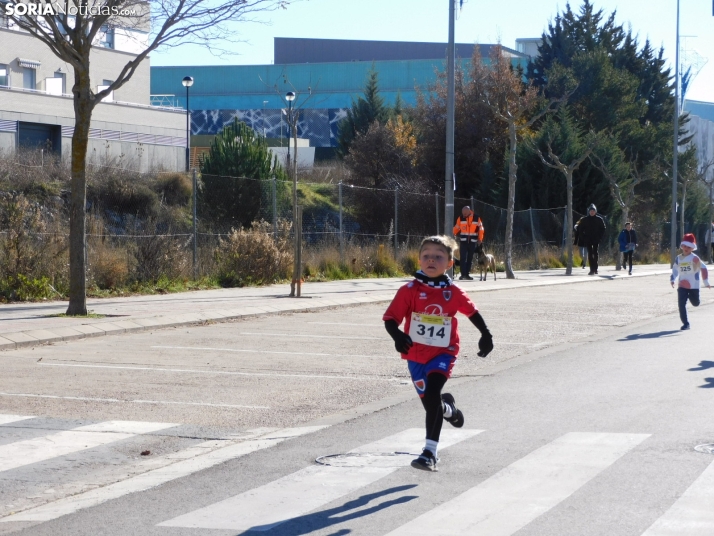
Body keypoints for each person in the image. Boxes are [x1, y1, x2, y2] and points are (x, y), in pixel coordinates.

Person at [383, 235, 493, 472]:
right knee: (431, 404)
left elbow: (472, 312)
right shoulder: (409, 290)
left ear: (450, 263)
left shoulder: (452, 291)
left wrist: (486, 335)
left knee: (433, 392)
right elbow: (391, 319)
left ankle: (429, 453)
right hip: (415, 356)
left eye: (438, 256)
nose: (431, 260)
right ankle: (448, 409)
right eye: (426, 256)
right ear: (419, 259)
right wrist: (398, 336)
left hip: (444, 353)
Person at [670, 233, 710, 330]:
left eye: (689, 247)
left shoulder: (694, 258)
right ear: (682, 246)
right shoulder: (678, 258)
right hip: (682, 285)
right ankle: (686, 323)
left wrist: (706, 282)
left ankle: (693, 298)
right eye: (684, 246)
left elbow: (703, 268)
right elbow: (675, 269)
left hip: (693, 286)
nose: (686, 248)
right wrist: (672, 279)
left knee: (696, 303)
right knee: (681, 304)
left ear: (692, 248)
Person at [452, 205, 484, 280]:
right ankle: (463, 274)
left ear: (469, 212)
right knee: (463, 258)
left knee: (470, 258)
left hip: (472, 242)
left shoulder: (477, 218)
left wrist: (480, 239)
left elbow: (481, 229)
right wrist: (453, 234)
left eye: (465, 214)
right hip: (463, 242)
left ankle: (467, 274)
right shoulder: (460, 218)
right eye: (463, 213)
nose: (464, 215)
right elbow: (456, 228)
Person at [576, 204, 606, 275]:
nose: (592, 212)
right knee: (590, 254)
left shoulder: (599, 219)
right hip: (588, 239)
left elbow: (603, 228)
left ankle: (595, 268)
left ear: (595, 212)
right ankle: (591, 269)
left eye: (593, 211)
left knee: (595, 253)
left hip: (596, 239)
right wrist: (583, 237)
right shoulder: (584, 219)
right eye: (591, 211)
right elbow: (580, 229)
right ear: (589, 212)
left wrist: (600, 237)